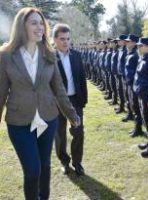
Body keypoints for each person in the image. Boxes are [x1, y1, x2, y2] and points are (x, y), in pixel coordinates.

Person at [0, 7, 80, 200]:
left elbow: (59, 89)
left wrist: (72, 115)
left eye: (41, 23)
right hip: (19, 122)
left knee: (45, 166)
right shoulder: (6, 56)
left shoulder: (49, 54)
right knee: (32, 169)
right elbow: (1, 92)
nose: (40, 27)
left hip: (47, 119)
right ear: (22, 26)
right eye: (33, 23)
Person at [53, 23, 88, 176]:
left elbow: (81, 78)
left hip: (75, 100)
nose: (65, 42)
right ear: (54, 39)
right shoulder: (49, 57)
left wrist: (83, 100)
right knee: (59, 134)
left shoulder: (76, 55)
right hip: (57, 102)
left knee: (78, 132)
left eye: (68, 38)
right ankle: (64, 162)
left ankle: (77, 162)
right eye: (62, 39)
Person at [133, 37, 148, 157]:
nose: (138, 48)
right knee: (146, 121)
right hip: (141, 95)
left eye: (140, 46)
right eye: (137, 46)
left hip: (147, 97)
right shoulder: (142, 58)